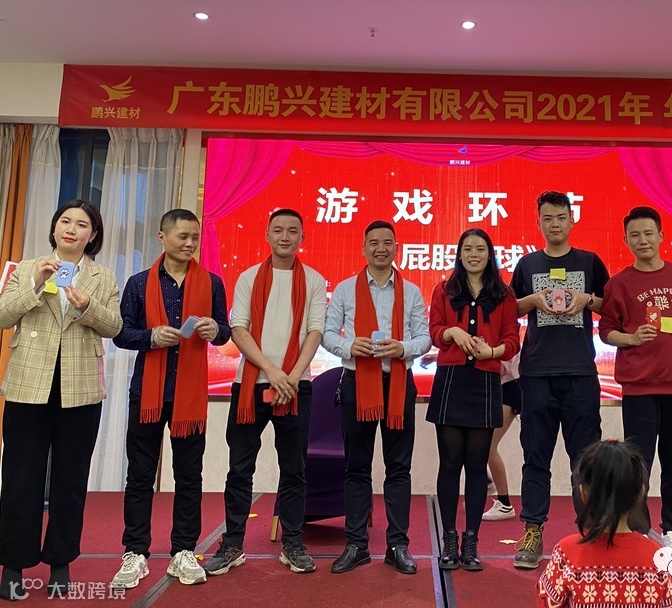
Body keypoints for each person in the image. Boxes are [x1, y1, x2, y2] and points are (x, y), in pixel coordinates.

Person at [0, 200, 123, 600]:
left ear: (93, 235)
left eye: (81, 224)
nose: (72, 228)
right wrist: (35, 283)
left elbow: (115, 326)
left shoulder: (103, 277)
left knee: (70, 480)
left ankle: (60, 562)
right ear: (54, 229)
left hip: (80, 389)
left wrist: (88, 306)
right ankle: (13, 564)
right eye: (65, 221)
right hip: (28, 385)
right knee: (20, 478)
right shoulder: (25, 268)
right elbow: (2, 316)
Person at [110, 209, 231, 589]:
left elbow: (225, 332)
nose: (190, 243)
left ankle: (183, 551)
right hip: (147, 393)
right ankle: (135, 552)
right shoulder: (138, 283)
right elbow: (121, 333)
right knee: (140, 476)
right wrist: (150, 337)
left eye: (195, 237)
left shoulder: (211, 283)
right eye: (183, 236)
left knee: (189, 476)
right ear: (162, 237)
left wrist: (214, 329)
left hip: (189, 396)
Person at [203, 209, 327, 577]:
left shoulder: (314, 280)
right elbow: (239, 329)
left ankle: (292, 543)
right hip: (250, 387)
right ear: (268, 235)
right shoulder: (248, 277)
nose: (285, 236)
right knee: (240, 470)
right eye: (278, 230)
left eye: (293, 231)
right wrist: (272, 371)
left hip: (296, 388)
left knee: (294, 470)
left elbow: (315, 332)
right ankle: (232, 544)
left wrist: (292, 376)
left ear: (302, 237)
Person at [323, 220, 431, 575]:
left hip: (398, 382)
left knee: (399, 468)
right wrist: (348, 346)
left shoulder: (411, 291)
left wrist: (403, 347)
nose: (381, 248)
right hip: (357, 382)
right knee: (356, 467)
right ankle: (356, 544)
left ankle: (398, 545)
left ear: (397, 248)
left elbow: (425, 338)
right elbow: (327, 333)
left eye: (387, 242)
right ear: (364, 248)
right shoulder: (345, 289)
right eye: (374, 242)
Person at [510, 190, 610, 570]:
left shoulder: (589, 261)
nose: (554, 224)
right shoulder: (527, 264)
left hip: (580, 373)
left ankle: (591, 530)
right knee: (535, 457)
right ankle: (532, 531)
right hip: (536, 373)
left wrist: (587, 300)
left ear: (571, 220)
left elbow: (611, 304)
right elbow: (508, 308)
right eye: (547, 218)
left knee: (585, 460)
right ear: (538, 223)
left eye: (560, 217)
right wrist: (532, 302)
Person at [599, 206, 672, 575]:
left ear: (661, 236)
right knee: (638, 465)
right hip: (639, 386)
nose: (642, 240)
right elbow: (606, 330)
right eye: (635, 235)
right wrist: (630, 337)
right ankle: (638, 531)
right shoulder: (618, 283)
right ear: (625, 240)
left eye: (648, 233)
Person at [427, 228, 520, 571]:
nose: (474, 254)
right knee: (450, 463)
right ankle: (449, 540)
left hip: (486, 382)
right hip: (451, 381)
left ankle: (471, 543)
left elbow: (512, 340)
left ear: (490, 254)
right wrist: (452, 332)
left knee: (477, 465)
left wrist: (492, 351)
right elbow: (434, 332)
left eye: (480, 249)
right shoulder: (444, 290)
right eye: (467, 248)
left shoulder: (504, 294)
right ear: (459, 253)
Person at [536, 439, 672, 608]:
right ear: (640, 493)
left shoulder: (567, 554)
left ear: (583, 492)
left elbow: (545, 602)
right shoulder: (657, 558)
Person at [483, 351, 522, 522]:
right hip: (502, 388)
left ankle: (504, 502)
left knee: (489, 446)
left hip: (510, 388)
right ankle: (486, 483)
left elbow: (504, 365)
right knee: (484, 445)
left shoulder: (508, 342)